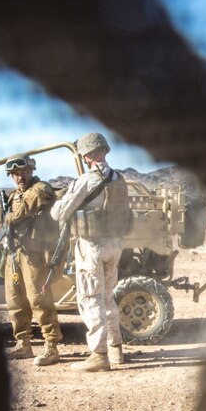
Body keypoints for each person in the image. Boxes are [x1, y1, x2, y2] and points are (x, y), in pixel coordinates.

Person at [51, 132, 132, 372]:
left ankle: (98, 355)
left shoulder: (86, 180)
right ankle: (116, 348)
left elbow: (59, 213)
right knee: (108, 296)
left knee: (90, 298)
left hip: (91, 246)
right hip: (114, 245)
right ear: (105, 150)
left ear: (86, 156)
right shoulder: (120, 179)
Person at [1, 155, 63, 367]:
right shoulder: (13, 196)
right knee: (15, 301)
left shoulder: (40, 189)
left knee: (39, 300)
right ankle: (23, 344)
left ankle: (51, 346)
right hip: (15, 254)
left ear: (32, 171)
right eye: (16, 174)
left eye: (24, 172)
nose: (20, 176)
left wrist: (9, 220)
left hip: (36, 254)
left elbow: (26, 208)